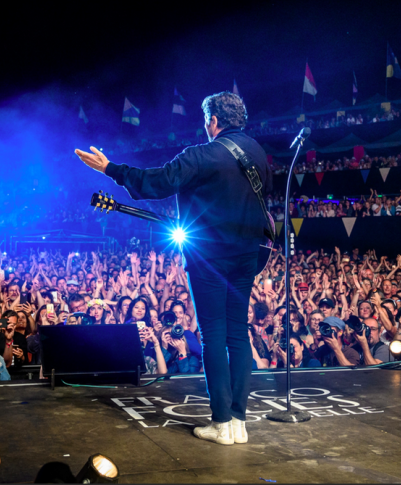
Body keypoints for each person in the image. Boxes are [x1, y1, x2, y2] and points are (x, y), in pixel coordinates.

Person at [77, 92, 272, 445]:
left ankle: (221, 423)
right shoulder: (258, 154)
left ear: (213, 120)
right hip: (247, 255)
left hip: (211, 259)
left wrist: (111, 169)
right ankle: (239, 423)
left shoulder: (202, 154)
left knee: (213, 336)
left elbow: (157, 182)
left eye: (205, 119)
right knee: (237, 334)